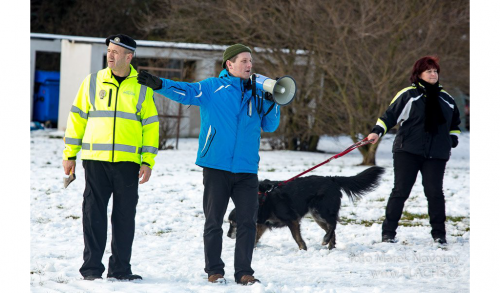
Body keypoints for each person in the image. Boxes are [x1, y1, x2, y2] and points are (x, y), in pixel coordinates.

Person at [138, 44, 281, 285]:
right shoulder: (212, 88)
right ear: (230, 64)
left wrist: (272, 101)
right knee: (214, 220)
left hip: (246, 170)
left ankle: (244, 272)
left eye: (250, 61)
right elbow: (185, 91)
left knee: (248, 221)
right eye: (244, 61)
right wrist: (159, 84)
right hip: (216, 167)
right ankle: (214, 270)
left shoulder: (257, 93)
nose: (249, 65)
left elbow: (270, 126)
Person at [62, 34, 159, 281]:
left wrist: (148, 161)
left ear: (130, 56)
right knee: (93, 215)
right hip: (95, 161)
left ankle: (120, 269)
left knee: (124, 217)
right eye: (109, 50)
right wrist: (70, 154)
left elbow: (150, 126)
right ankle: (92, 269)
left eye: (116, 51)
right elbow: (77, 118)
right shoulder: (92, 82)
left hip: (128, 164)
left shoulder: (141, 86)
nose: (110, 55)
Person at [366, 56, 461, 245]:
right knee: (400, 191)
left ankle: (439, 235)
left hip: (436, 154)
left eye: (435, 71)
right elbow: (389, 116)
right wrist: (376, 132)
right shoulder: (409, 95)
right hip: (407, 151)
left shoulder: (447, 99)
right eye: (429, 71)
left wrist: (452, 138)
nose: (433, 74)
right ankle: (388, 233)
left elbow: (455, 123)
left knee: (434, 193)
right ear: (419, 74)